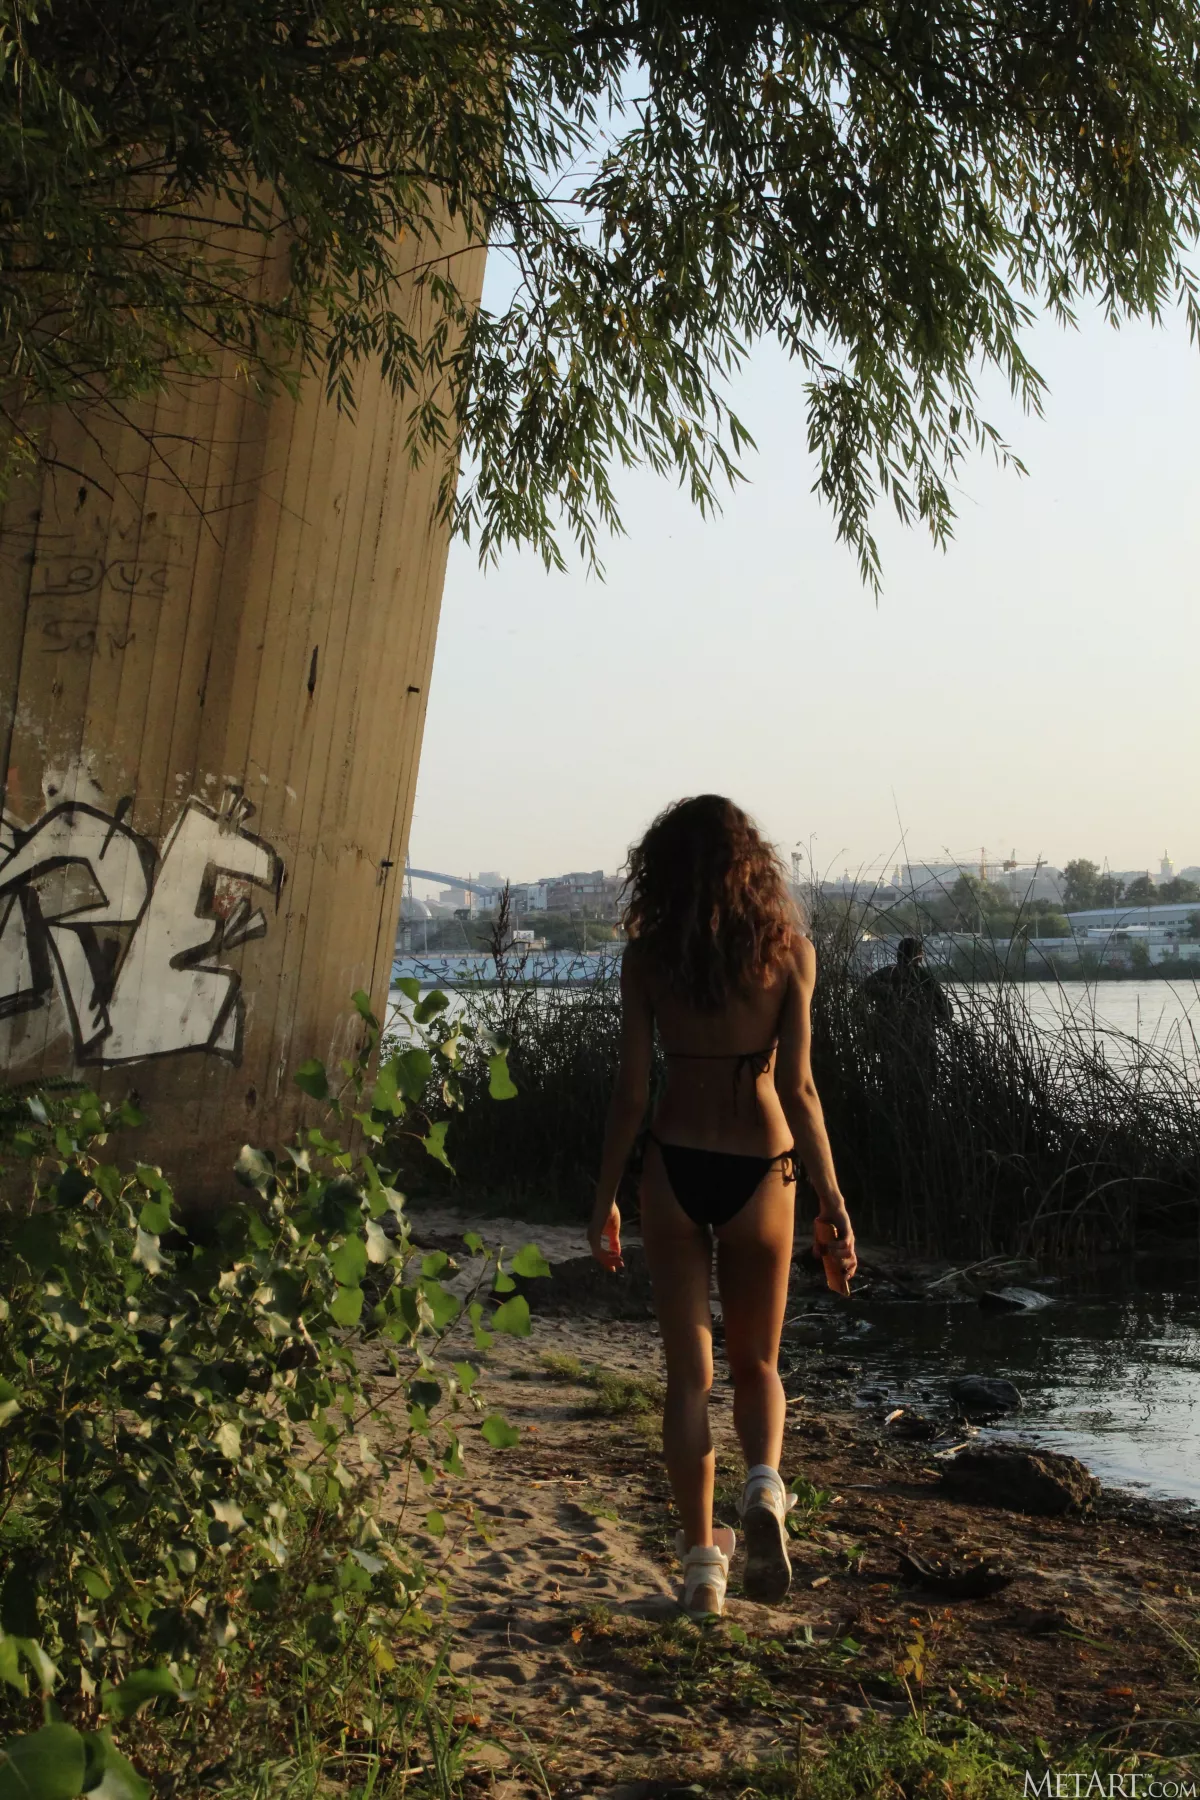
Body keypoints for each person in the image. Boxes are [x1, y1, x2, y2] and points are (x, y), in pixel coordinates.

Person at [587, 796, 856, 1620]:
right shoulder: (791, 955)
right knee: (757, 1365)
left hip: (674, 1166)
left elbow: (631, 1095)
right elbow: (801, 1090)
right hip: (761, 1167)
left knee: (687, 1378)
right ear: (754, 868)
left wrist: (605, 1198)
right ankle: (765, 1488)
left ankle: (704, 1570)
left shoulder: (647, 961)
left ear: (661, 870)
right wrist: (833, 1201)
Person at [863, 936, 952, 1024]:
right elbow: (945, 1009)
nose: (923, 955)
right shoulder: (923, 977)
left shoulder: (883, 973)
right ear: (917, 955)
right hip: (916, 1028)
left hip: (884, 1027)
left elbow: (861, 996)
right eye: (921, 952)